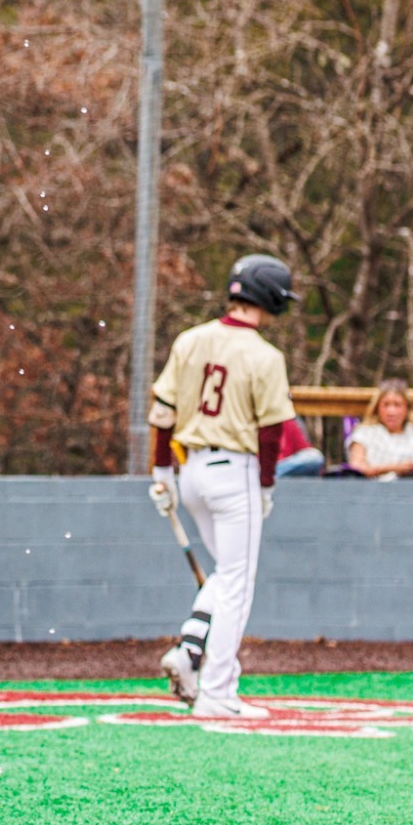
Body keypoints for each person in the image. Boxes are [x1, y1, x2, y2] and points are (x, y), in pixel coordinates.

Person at [149, 253, 300, 719]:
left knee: (227, 572)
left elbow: (163, 412)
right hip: (235, 473)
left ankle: (190, 647)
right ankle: (218, 690)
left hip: (190, 470)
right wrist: (267, 486)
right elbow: (272, 431)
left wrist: (161, 473)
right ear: (267, 294)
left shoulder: (191, 339)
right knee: (238, 582)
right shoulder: (264, 355)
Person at [347, 379, 413, 479]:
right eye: (386, 405)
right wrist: (394, 468)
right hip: (376, 488)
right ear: (377, 408)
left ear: (407, 408)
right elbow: (356, 468)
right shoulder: (363, 433)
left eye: (397, 405)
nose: (391, 412)